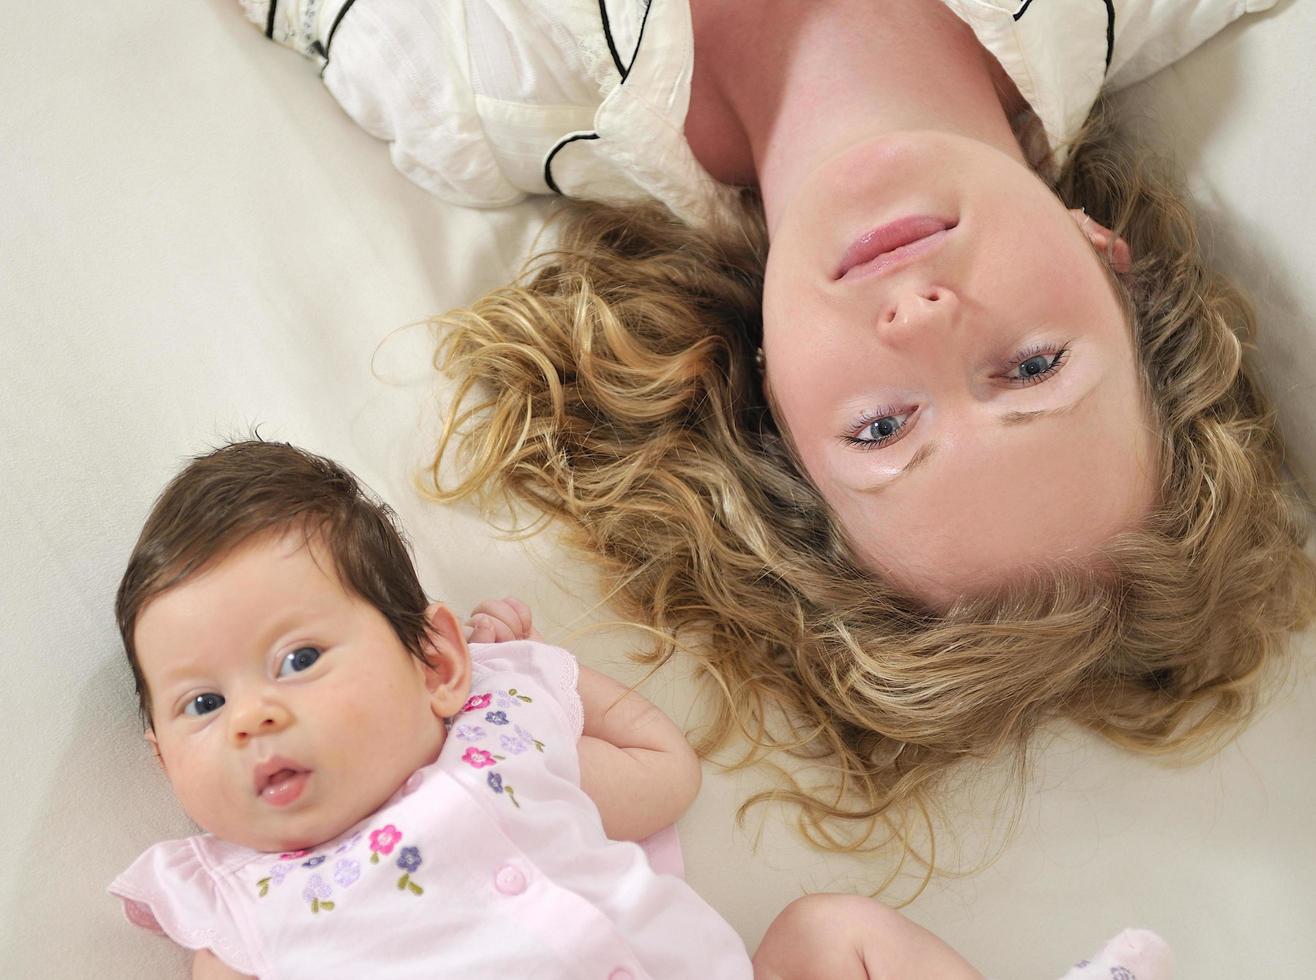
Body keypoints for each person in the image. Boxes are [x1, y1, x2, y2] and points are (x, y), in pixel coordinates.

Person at [237, 2, 1316, 847]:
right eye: (1032, 367)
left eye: (884, 427)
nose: (923, 320)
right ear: (1105, 256)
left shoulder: (473, 95)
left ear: (775, 397)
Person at [108, 440, 1168, 979]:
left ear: (431, 656)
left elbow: (666, 768)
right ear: (164, 759)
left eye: (297, 657)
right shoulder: (244, 906)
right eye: (202, 702)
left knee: (827, 931)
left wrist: (520, 669)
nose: (252, 716)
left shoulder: (503, 740)